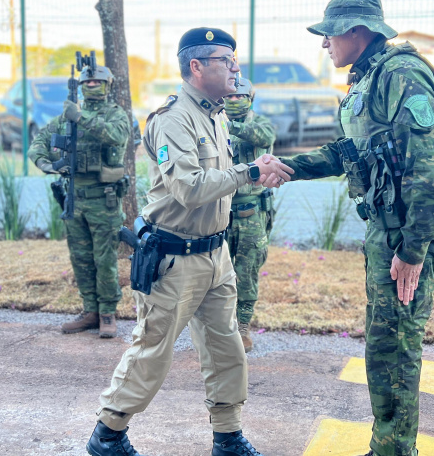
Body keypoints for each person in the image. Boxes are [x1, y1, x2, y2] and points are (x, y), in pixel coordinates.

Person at [85, 28, 292, 456]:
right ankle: (108, 434)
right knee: (153, 349)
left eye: (235, 58)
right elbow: (189, 188)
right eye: (224, 58)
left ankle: (228, 436)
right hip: (175, 258)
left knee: (226, 346)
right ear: (196, 66)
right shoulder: (173, 119)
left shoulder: (215, 115)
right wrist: (250, 172)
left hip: (216, 253)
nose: (236, 66)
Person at [279, 0, 434, 456]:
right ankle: (388, 447)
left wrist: (414, 250)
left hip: (408, 235)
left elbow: (431, 169)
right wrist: (288, 167)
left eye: (329, 34)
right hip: (386, 228)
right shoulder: (370, 77)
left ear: (358, 32)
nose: (324, 44)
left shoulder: (401, 74)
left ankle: (395, 451)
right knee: (383, 346)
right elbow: (349, 152)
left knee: (395, 349)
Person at [28, 57, 130, 338]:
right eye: (87, 82)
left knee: (104, 258)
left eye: (97, 81)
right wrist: (47, 164)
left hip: (104, 199)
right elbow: (38, 142)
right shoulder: (67, 117)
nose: (92, 85)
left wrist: (80, 117)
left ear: (107, 85)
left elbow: (117, 136)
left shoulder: (115, 114)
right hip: (74, 197)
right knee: (81, 259)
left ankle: (108, 312)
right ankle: (90, 311)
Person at [224, 76, 276, 352]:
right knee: (216, 273)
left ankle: (242, 326)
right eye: (229, 97)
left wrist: (229, 126)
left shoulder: (259, 123)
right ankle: (221, 327)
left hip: (250, 213)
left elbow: (264, 137)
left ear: (249, 99)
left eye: (238, 97)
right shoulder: (214, 124)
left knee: (246, 271)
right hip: (218, 211)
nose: (233, 101)